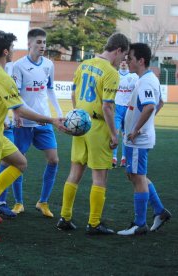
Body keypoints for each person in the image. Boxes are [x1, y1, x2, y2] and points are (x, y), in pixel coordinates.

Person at [0, 31, 67, 241]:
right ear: (5, 51)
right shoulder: (2, 76)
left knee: (20, 163)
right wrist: (52, 120)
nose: (13, 51)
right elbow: (19, 110)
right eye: (12, 48)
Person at [56, 32, 129, 235]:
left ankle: (65, 217)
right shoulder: (111, 72)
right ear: (118, 50)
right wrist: (114, 134)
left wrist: (76, 118)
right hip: (97, 126)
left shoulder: (84, 64)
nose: (123, 60)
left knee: (75, 172)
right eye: (124, 56)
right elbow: (107, 107)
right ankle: (94, 223)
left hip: (81, 125)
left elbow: (73, 94)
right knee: (100, 176)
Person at [0, 28, 63, 218]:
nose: (42, 46)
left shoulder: (49, 65)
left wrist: (59, 113)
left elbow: (50, 90)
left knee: (54, 160)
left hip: (44, 122)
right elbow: (16, 95)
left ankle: (43, 202)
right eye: (38, 42)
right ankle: (18, 202)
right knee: (17, 162)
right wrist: (17, 113)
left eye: (44, 42)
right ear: (29, 44)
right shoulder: (17, 66)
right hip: (24, 123)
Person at [117, 43, 171, 235]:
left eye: (129, 58)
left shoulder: (146, 81)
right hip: (136, 138)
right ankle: (160, 211)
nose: (126, 61)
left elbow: (149, 107)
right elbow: (160, 102)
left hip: (137, 140)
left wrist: (137, 129)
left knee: (138, 178)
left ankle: (140, 224)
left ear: (140, 60)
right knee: (134, 175)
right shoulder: (147, 79)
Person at [112, 59, 139, 168]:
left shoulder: (134, 77)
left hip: (129, 109)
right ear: (119, 63)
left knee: (125, 134)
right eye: (121, 61)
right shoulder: (114, 75)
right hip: (117, 108)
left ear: (128, 63)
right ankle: (113, 158)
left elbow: (137, 92)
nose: (123, 63)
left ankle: (124, 158)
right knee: (115, 133)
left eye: (125, 61)